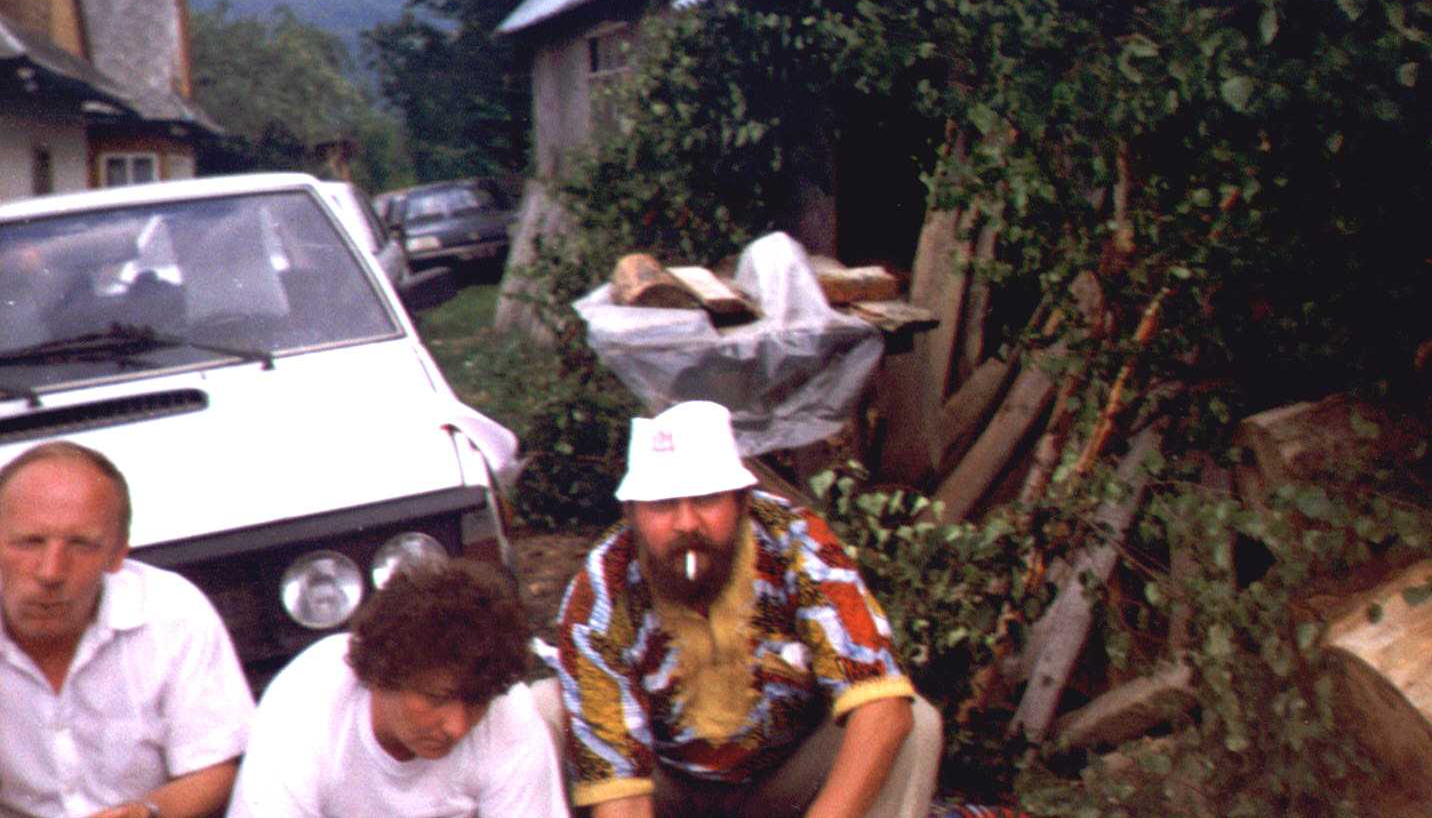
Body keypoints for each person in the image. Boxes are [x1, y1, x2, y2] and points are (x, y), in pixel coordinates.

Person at [546, 400, 942, 818]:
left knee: (914, 722)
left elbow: (880, 705)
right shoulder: (603, 588)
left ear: (742, 502)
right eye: (662, 504)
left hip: (787, 777)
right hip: (664, 787)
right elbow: (619, 793)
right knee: (544, 709)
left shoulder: (796, 541)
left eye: (707, 499)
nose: (687, 524)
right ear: (632, 513)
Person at [0, 440, 254, 818]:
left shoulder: (172, 612)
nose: (51, 571)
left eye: (81, 545)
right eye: (29, 542)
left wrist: (147, 813)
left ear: (118, 553)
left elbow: (217, 766)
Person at [225, 556, 568, 818]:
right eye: (437, 698)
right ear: (380, 674)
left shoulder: (510, 708)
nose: (457, 726)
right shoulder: (306, 700)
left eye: (477, 702)